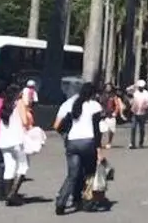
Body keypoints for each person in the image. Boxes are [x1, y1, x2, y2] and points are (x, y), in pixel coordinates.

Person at [53, 82, 103, 215]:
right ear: (93, 94)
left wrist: (66, 136)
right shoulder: (94, 106)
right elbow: (97, 130)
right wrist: (99, 149)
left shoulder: (73, 104)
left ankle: (61, 203)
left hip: (72, 142)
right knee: (89, 173)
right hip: (88, 142)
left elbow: (60, 126)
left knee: (72, 175)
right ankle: (87, 201)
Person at [0, 83, 33, 207]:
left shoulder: (4, 105)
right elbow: (24, 121)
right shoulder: (19, 103)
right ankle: (12, 194)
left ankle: (8, 195)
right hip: (17, 139)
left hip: (3, 141)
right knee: (23, 166)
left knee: (9, 167)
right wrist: (29, 118)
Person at [128, 80, 148, 149]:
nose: (140, 88)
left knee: (142, 129)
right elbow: (127, 89)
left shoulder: (147, 94)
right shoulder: (135, 92)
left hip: (142, 113)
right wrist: (134, 85)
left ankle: (141, 143)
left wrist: (145, 107)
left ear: (144, 87)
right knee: (133, 128)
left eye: (142, 87)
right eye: (139, 87)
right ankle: (132, 143)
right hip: (135, 113)